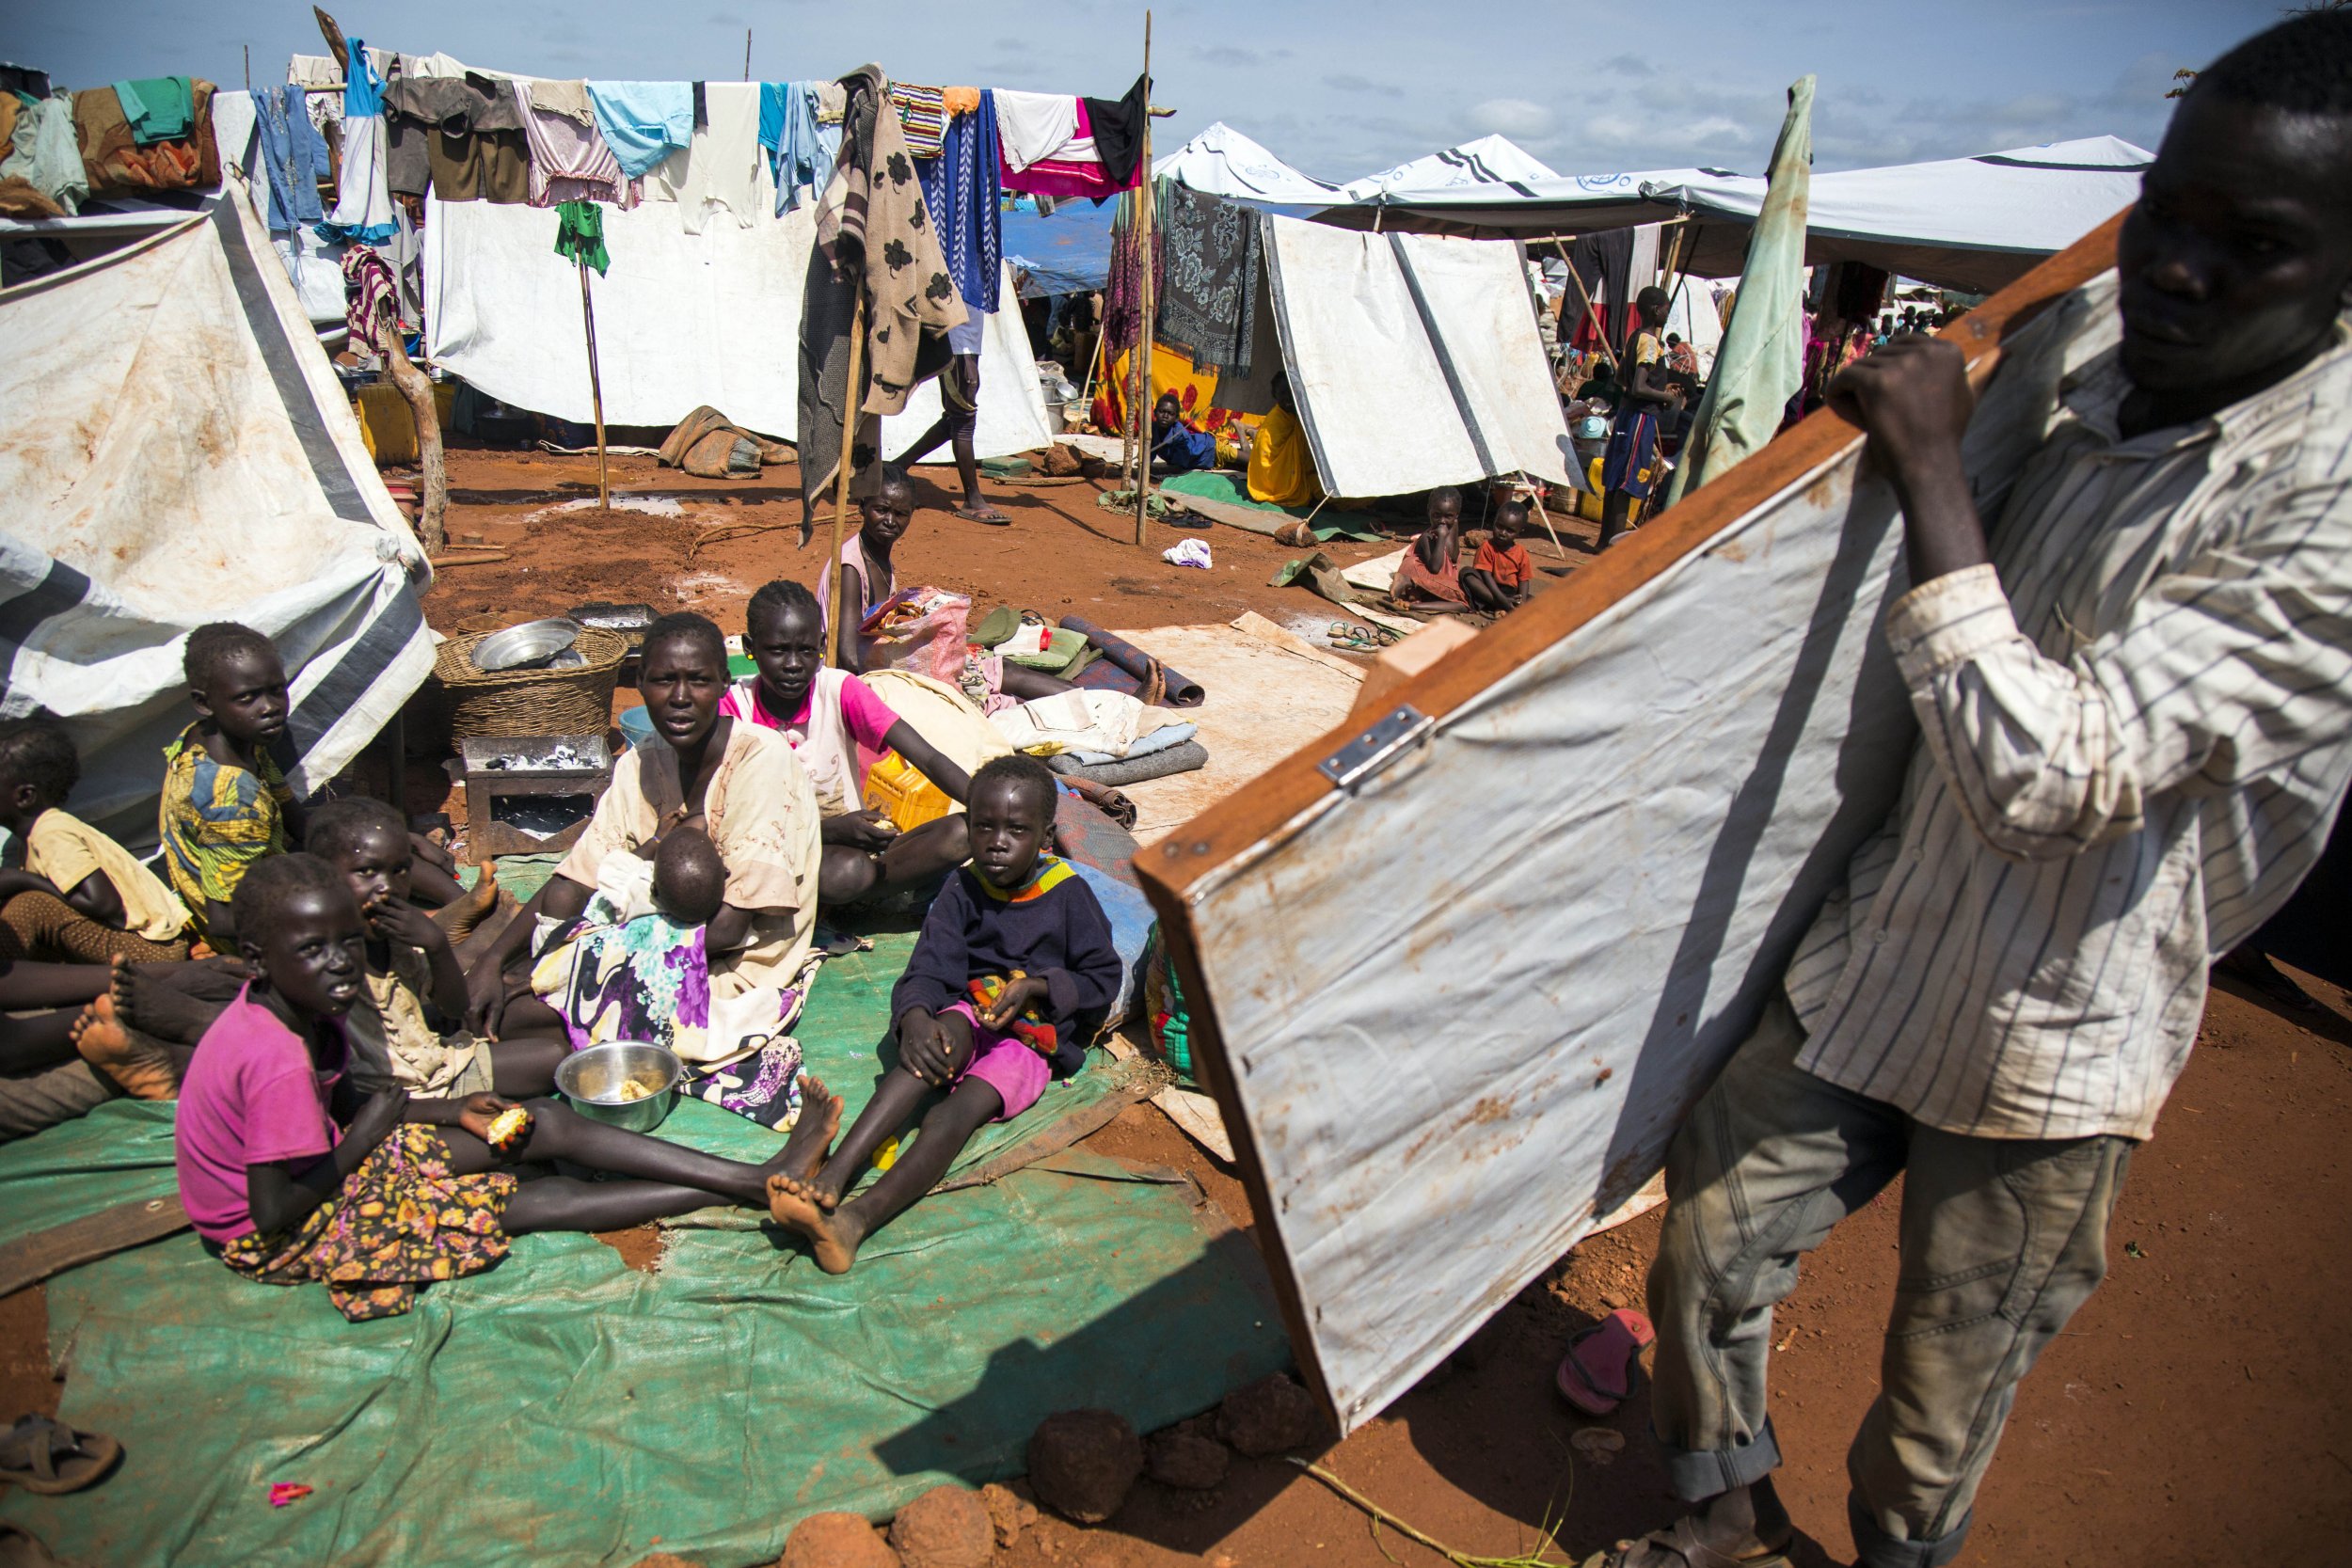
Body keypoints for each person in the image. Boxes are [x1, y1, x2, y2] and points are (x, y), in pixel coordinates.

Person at [1598, 16, 2352, 1567]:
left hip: (2059, 1024)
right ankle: (1720, 1520)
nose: (2179, 270)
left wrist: (1934, 466)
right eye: (2169, 212)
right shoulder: (2084, 335)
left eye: (2252, 247)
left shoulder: (2329, 514)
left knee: (1941, 1397)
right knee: (1711, 1246)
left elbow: (2057, 777)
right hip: (1888, 935)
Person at [176, 853, 845, 1322]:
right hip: (280, 1228)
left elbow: (350, 1108)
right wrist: (368, 1139)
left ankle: (754, 1178)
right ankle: (754, 1181)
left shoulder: (291, 1007)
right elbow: (270, 1213)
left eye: (347, 942)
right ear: (261, 960)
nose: (340, 963)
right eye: (313, 949)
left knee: (537, 1126)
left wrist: (446, 1108)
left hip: (331, 1159)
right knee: (522, 1200)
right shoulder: (274, 1056)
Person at [764, 755, 1120, 1273]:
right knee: (924, 1057)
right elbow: (930, 967)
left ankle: (854, 1221)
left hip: (1031, 1040)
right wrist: (914, 1017)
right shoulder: (963, 887)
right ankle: (831, 1177)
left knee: (953, 1113)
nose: (997, 842)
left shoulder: (1067, 896)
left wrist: (1039, 987)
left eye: (1016, 830)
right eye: (984, 827)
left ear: (1045, 836)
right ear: (969, 826)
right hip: (973, 1008)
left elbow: (1101, 980)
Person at [465, 612, 823, 1047]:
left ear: (726, 684)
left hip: (733, 964)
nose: (680, 697)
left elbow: (729, 930)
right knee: (489, 988)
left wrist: (579, 960)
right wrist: (495, 958)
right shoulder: (644, 758)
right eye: (663, 680)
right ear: (639, 683)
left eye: (699, 681)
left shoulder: (760, 761)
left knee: (520, 1017)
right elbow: (577, 877)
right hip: (649, 932)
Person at [159, 623, 471, 949]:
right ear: (204, 702)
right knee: (392, 912)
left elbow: (296, 819)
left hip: (270, 870)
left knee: (368, 842)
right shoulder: (231, 800)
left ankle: (467, 905)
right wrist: (344, 918)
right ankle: (444, 922)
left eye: (276, 690)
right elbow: (227, 919)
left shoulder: (224, 739)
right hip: (265, 935)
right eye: (247, 698)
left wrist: (397, 840)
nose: (269, 708)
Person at [731, 579, 979, 906]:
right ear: (751, 647)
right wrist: (831, 831)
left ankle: (845, 899)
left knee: (964, 833)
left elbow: (927, 758)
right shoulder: (735, 710)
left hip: (849, 848)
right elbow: (735, 825)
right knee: (847, 872)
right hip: (769, 852)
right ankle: (850, 898)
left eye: (806, 650)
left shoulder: (838, 690)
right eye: (778, 651)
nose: (793, 665)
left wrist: (990, 808)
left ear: (821, 645)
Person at [821, 464, 1075, 704]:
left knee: (996, 668)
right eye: (882, 510)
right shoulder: (850, 568)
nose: (890, 521)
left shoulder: (877, 554)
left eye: (900, 514)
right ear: (862, 506)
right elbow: (848, 655)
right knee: (988, 676)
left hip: (877, 665)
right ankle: (1093, 702)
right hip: (858, 681)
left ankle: (1093, 699)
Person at [0, 717, 192, 965]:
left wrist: (26, 881)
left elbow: (103, 902)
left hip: (151, 950)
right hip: (138, 945)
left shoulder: (50, 832)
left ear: (25, 796)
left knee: (30, 905)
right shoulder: (35, 837)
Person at [891, 325, 1011, 525]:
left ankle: (898, 465)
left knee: (955, 419)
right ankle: (972, 500)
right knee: (963, 418)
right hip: (957, 343)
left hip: (966, 341)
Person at [1599, 286, 1678, 548]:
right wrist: (1665, 397)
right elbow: (1637, 387)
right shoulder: (1650, 342)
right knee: (1627, 479)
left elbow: (1622, 379)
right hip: (1639, 418)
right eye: (1666, 308)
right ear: (1656, 310)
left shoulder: (1635, 336)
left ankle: (1603, 541)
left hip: (1626, 414)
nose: (1668, 313)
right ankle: (1615, 546)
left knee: (1615, 477)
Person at [1246, 372, 1323, 508]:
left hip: (1297, 470)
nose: (1288, 398)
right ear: (1275, 396)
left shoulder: (1296, 415)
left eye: (1291, 392)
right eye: (1282, 393)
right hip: (1275, 481)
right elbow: (1266, 463)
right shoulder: (1273, 423)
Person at [1394, 485, 1468, 607]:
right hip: (1429, 575)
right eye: (1436, 515)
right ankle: (1409, 585)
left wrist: (1447, 533)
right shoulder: (1427, 537)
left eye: (1448, 516)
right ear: (1429, 511)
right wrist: (1442, 538)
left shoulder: (1453, 526)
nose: (1442, 521)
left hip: (1442, 580)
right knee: (1411, 563)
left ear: (1456, 516)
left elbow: (1453, 557)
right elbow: (1434, 568)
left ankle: (1413, 591)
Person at [1458, 499, 1535, 611]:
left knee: (1537, 601)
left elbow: (1524, 580)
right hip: (1489, 592)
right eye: (1499, 526)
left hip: (1511, 593)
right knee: (1466, 573)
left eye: (1510, 530)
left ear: (1520, 532)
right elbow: (1487, 576)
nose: (1502, 533)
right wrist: (1503, 600)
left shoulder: (1521, 552)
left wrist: (1521, 602)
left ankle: (1511, 607)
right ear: (1494, 522)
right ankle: (1502, 605)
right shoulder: (1487, 547)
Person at [1150, 392, 1217, 474]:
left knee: (1234, 456)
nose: (1165, 416)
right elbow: (1148, 456)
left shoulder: (1179, 434)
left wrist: (1157, 470)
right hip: (1207, 462)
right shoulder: (1151, 430)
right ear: (1155, 413)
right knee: (1234, 465)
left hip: (1212, 449)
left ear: (1176, 418)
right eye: (1161, 411)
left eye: (1170, 413)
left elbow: (1178, 468)